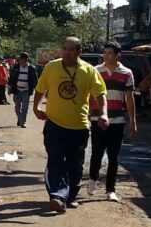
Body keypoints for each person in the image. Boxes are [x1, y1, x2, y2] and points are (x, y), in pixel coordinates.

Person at [33, 37, 108, 213]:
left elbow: (100, 94)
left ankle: (71, 196)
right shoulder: (51, 67)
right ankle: (57, 196)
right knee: (56, 159)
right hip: (54, 124)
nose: (67, 52)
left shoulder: (89, 71)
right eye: (64, 49)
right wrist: (36, 107)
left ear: (79, 52)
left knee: (75, 164)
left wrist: (104, 114)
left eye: (71, 49)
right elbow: (39, 90)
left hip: (79, 126)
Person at [87, 41, 137, 203]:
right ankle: (93, 180)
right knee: (97, 153)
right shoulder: (95, 71)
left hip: (118, 120)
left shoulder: (127, 73)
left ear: (117, 55)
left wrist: (133, 120)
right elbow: (89, 95)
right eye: (105, 52)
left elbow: (129, 98)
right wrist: (87, 113)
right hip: (97, 119)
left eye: (109, 53)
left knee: (114, 157)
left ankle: (110, 190)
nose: (106, 55)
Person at [9, 53, 39, 128]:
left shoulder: (31, 68)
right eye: (21, 59)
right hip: (17, 90)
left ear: (26, 60)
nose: (22, 61)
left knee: (25, 107)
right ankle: (20, 118)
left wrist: (37, 89)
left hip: (26, 90)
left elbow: (35, 79)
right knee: (17, 107)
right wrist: (10, 88)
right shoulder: (15, 67)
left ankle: (23, 122)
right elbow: (11, 78)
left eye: (24, 59)